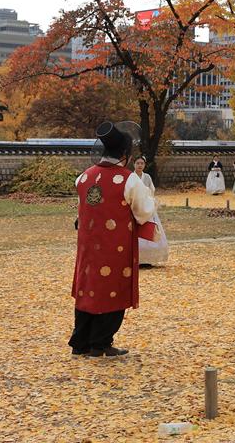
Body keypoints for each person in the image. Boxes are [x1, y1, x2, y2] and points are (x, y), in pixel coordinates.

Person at [69, 122, 158, 358]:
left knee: (88, 288)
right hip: (116, 246)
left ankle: (80, 342)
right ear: (124, 155)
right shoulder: (129, 180)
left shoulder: (83, 177)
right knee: (112, 289)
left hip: (88, 245)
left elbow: (82, 210)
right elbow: (145, 210)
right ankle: (100, 342)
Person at [134, 156, 170, 266]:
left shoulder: (147, 177)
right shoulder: (131, 177)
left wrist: (149, 200)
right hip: (135, 207)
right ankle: (136, 258)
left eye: (142, 163)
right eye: (138, 163)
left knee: (149, 230)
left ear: (144, 165)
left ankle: (148, 259)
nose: (140, 165)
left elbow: (152, 190)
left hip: (147, 207)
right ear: (134, 164)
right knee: (136, 232)